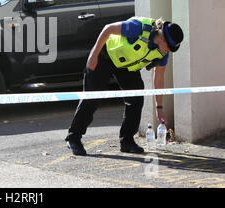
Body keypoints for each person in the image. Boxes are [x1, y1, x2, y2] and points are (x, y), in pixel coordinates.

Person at [65, 16, 184, 156]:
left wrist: (159, 108)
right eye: (169, 47)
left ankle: (127, 141)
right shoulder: (138, 28)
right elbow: (108, 29)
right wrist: (94, 55)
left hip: (126, 67)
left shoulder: (162, 53)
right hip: (105, 56)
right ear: (162, 38)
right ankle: (74, 138)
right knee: (92, 97)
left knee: (136, 99)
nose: (169, 51)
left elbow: (158, 78)